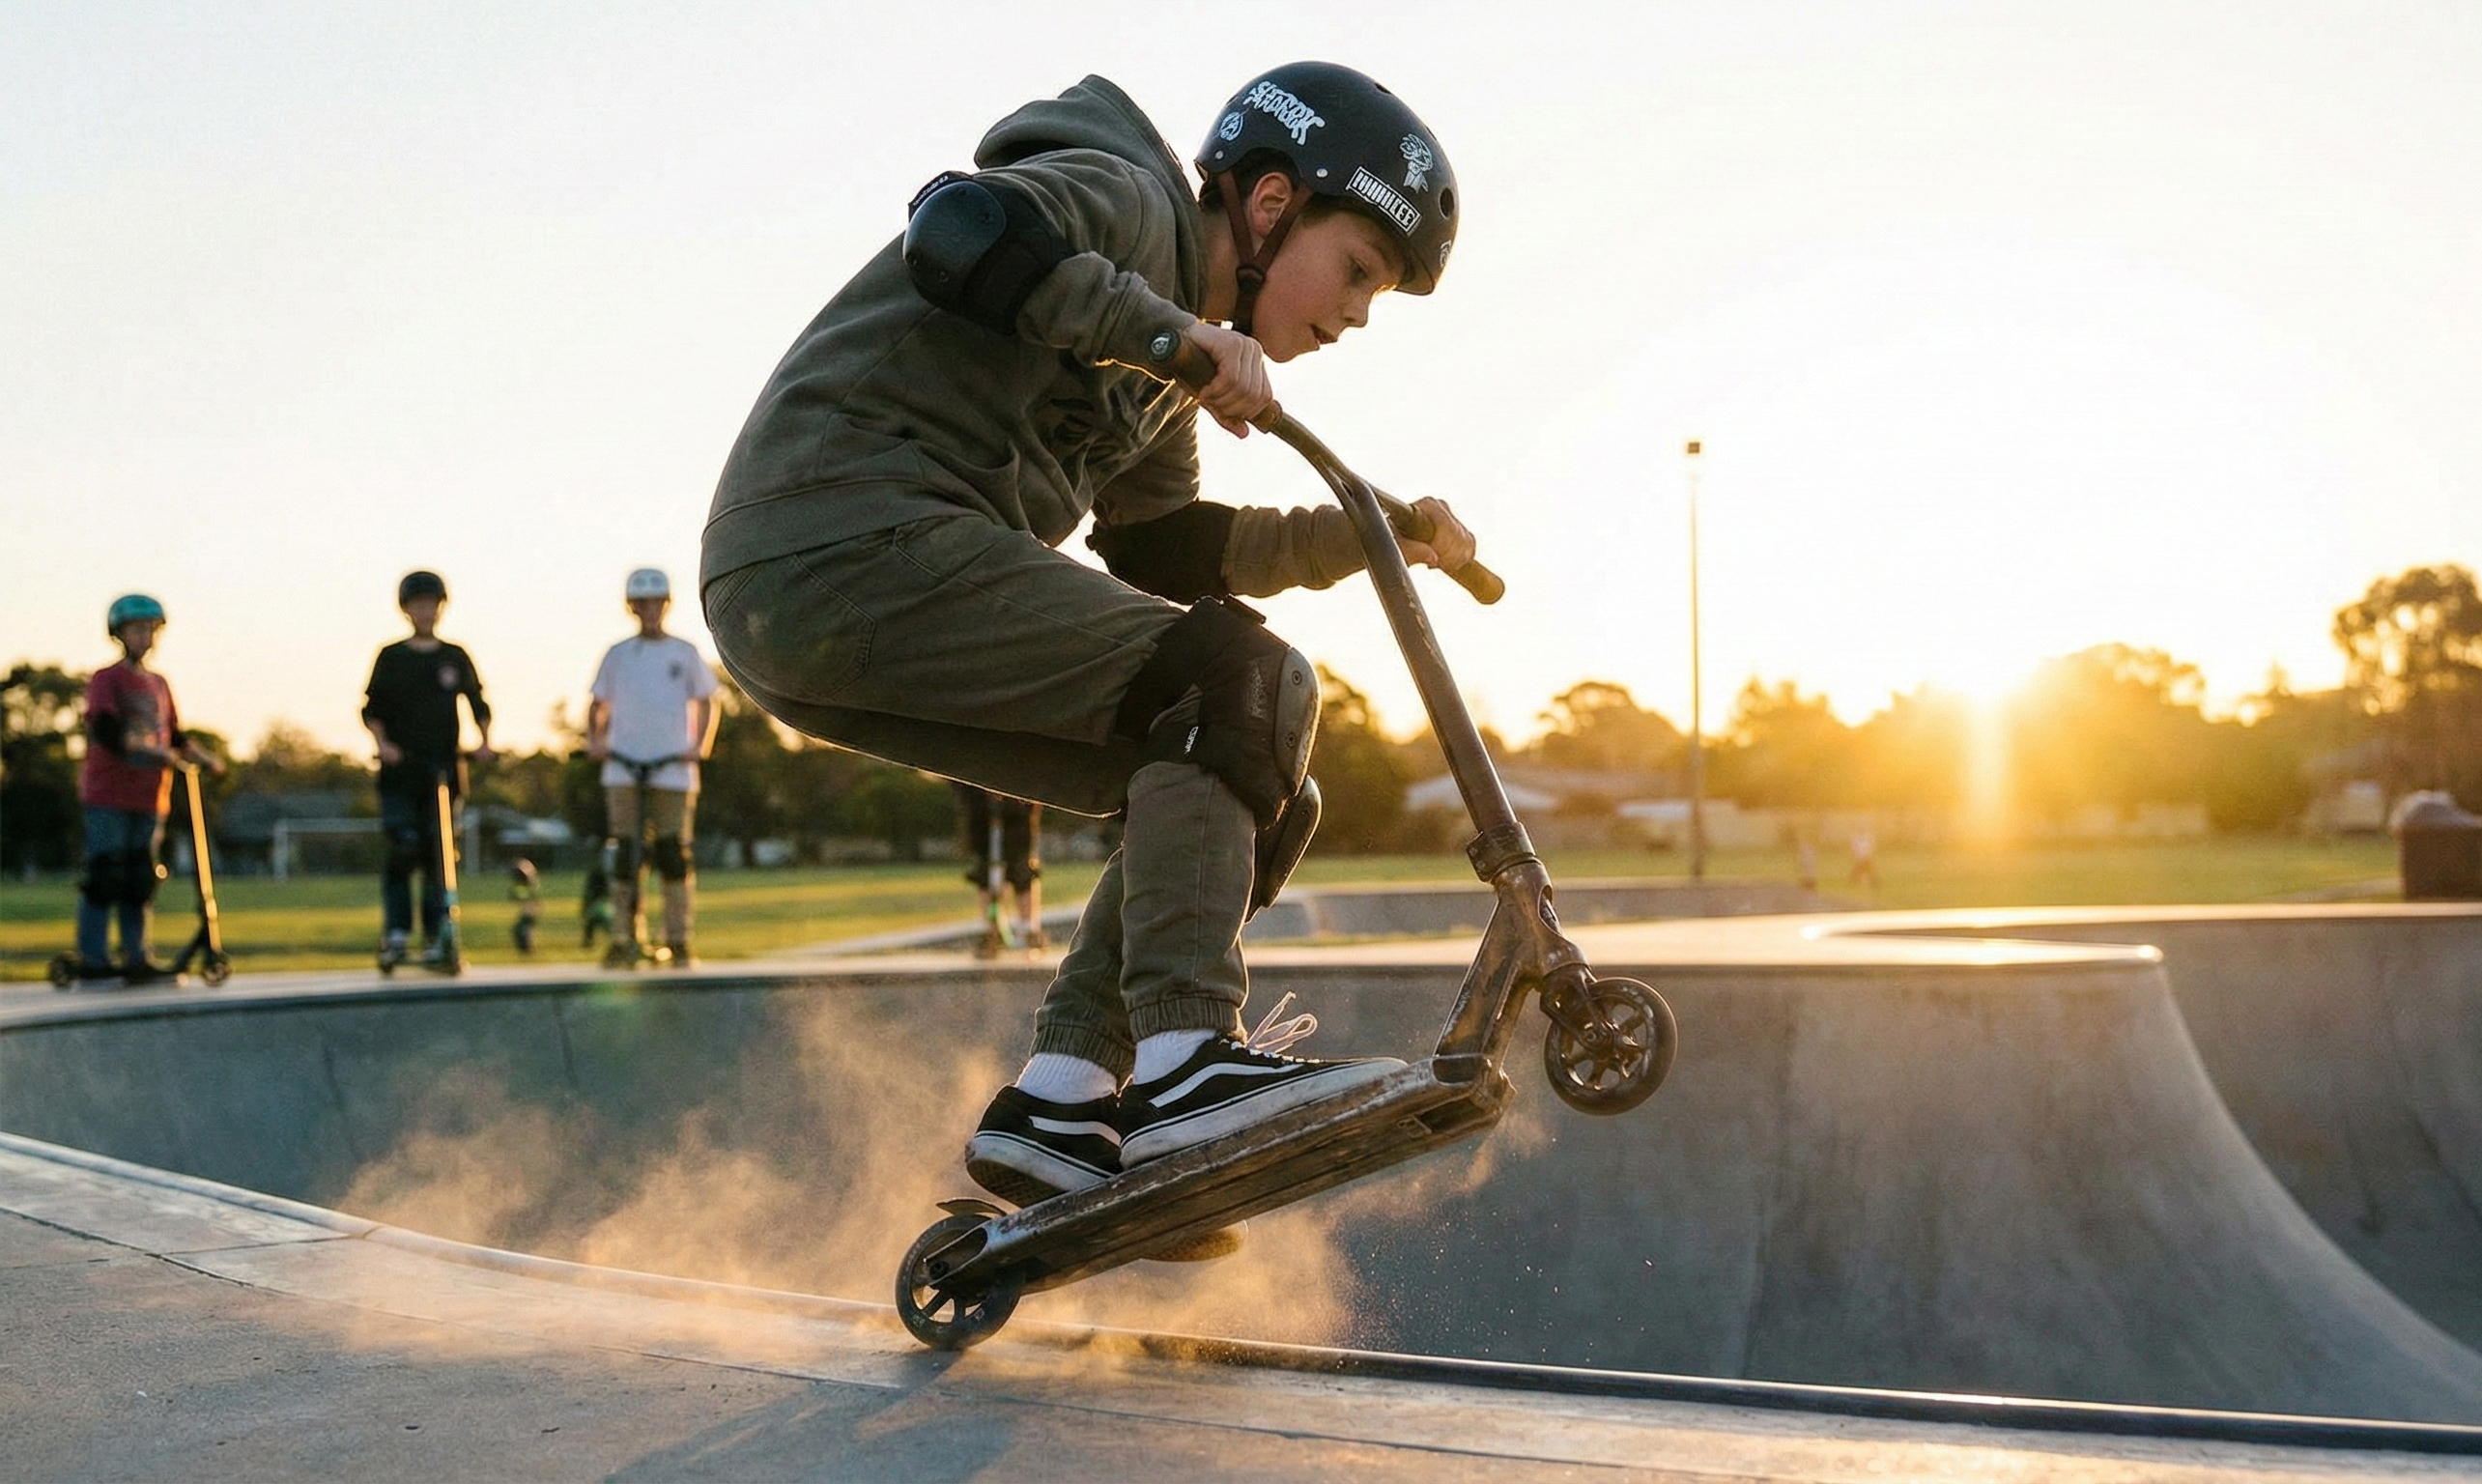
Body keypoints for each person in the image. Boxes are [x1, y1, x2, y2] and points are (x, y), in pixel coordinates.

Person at [699, 63, 1477, 1208]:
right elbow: (962, 231)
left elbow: (1165, 547)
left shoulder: (1167, 378)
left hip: (832, 618)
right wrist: (1165, 338)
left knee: (1253, 776)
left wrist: (1372, 532)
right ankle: (1185, 1065)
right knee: (1237, 686)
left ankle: (1063, 1096)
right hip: (838, 533)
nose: (1356, 314)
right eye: (1357, 269)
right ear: (1270, 206)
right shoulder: (1124, 197)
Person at [73, 593, 221, 981]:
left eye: (150, 630)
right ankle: (94, 958)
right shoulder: (107, 679)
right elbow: (104, 727)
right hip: (109, 792)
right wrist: (138, 746)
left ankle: (137, 955)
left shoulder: (159, 684)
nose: (145, 637)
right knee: (106, 875)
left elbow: (175, 735)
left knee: (140, 878)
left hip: (149, 795)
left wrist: (207, 759)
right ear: (120, 634)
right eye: (137, 630)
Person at [585, 567, 721, 968]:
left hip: (672, 767)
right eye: (642, 603)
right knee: (626, 853)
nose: (650, 610)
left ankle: (678, 938)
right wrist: (595, 741)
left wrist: (700, 746)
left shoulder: (684, 652)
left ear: (666, 605)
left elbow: (708, 700)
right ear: (633, 607)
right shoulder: (619, 654)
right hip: (624, 765)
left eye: (656, 602)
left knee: (672, 852)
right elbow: (597, 703)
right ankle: (624, 937)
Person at [361, 570, 495, 971]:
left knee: (441, 855)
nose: (424, 611)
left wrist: (484, 741)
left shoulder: (453, 656)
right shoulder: (392, 657)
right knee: (404, 848)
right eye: (417, 604)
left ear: (440, 608)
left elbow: (478, 702)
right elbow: (372, 709)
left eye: (431, 604)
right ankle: (397, 933)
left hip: (445, 770)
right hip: (402, 772)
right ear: (406, 610)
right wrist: (383, 746)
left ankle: (439, 934)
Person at [956, 784, 1045, 957]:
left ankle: (1028, 929)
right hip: (980, 804)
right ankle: (991, 929)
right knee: (986, 872)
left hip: (1017, 800)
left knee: (1021, 868)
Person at [508, 858, 543, 955]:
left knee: (523, 928)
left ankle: (527, 949)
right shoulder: (524, 886)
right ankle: (525, 948)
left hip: (529, 909)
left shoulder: (527, 885)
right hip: (529, 907)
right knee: (522, 928)